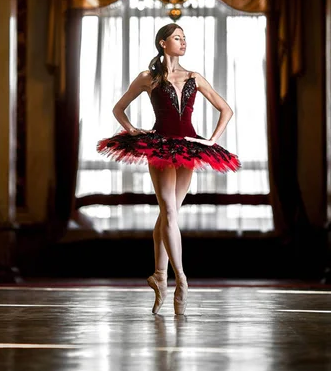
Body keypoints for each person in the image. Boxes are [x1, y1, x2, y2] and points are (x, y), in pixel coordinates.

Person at [97, 23, 241, 315]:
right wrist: (132, 130)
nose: (183, 42)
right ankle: (182, 280)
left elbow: (226, 109)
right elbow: (118, 108)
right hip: (159, 146)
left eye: (185, 37)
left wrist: (211, 141)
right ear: (163, 43)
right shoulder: (147, 77)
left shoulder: (194, 77)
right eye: (178, 38)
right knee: (170, 212)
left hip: (187, 146)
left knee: (168, 213)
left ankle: (160, 276)